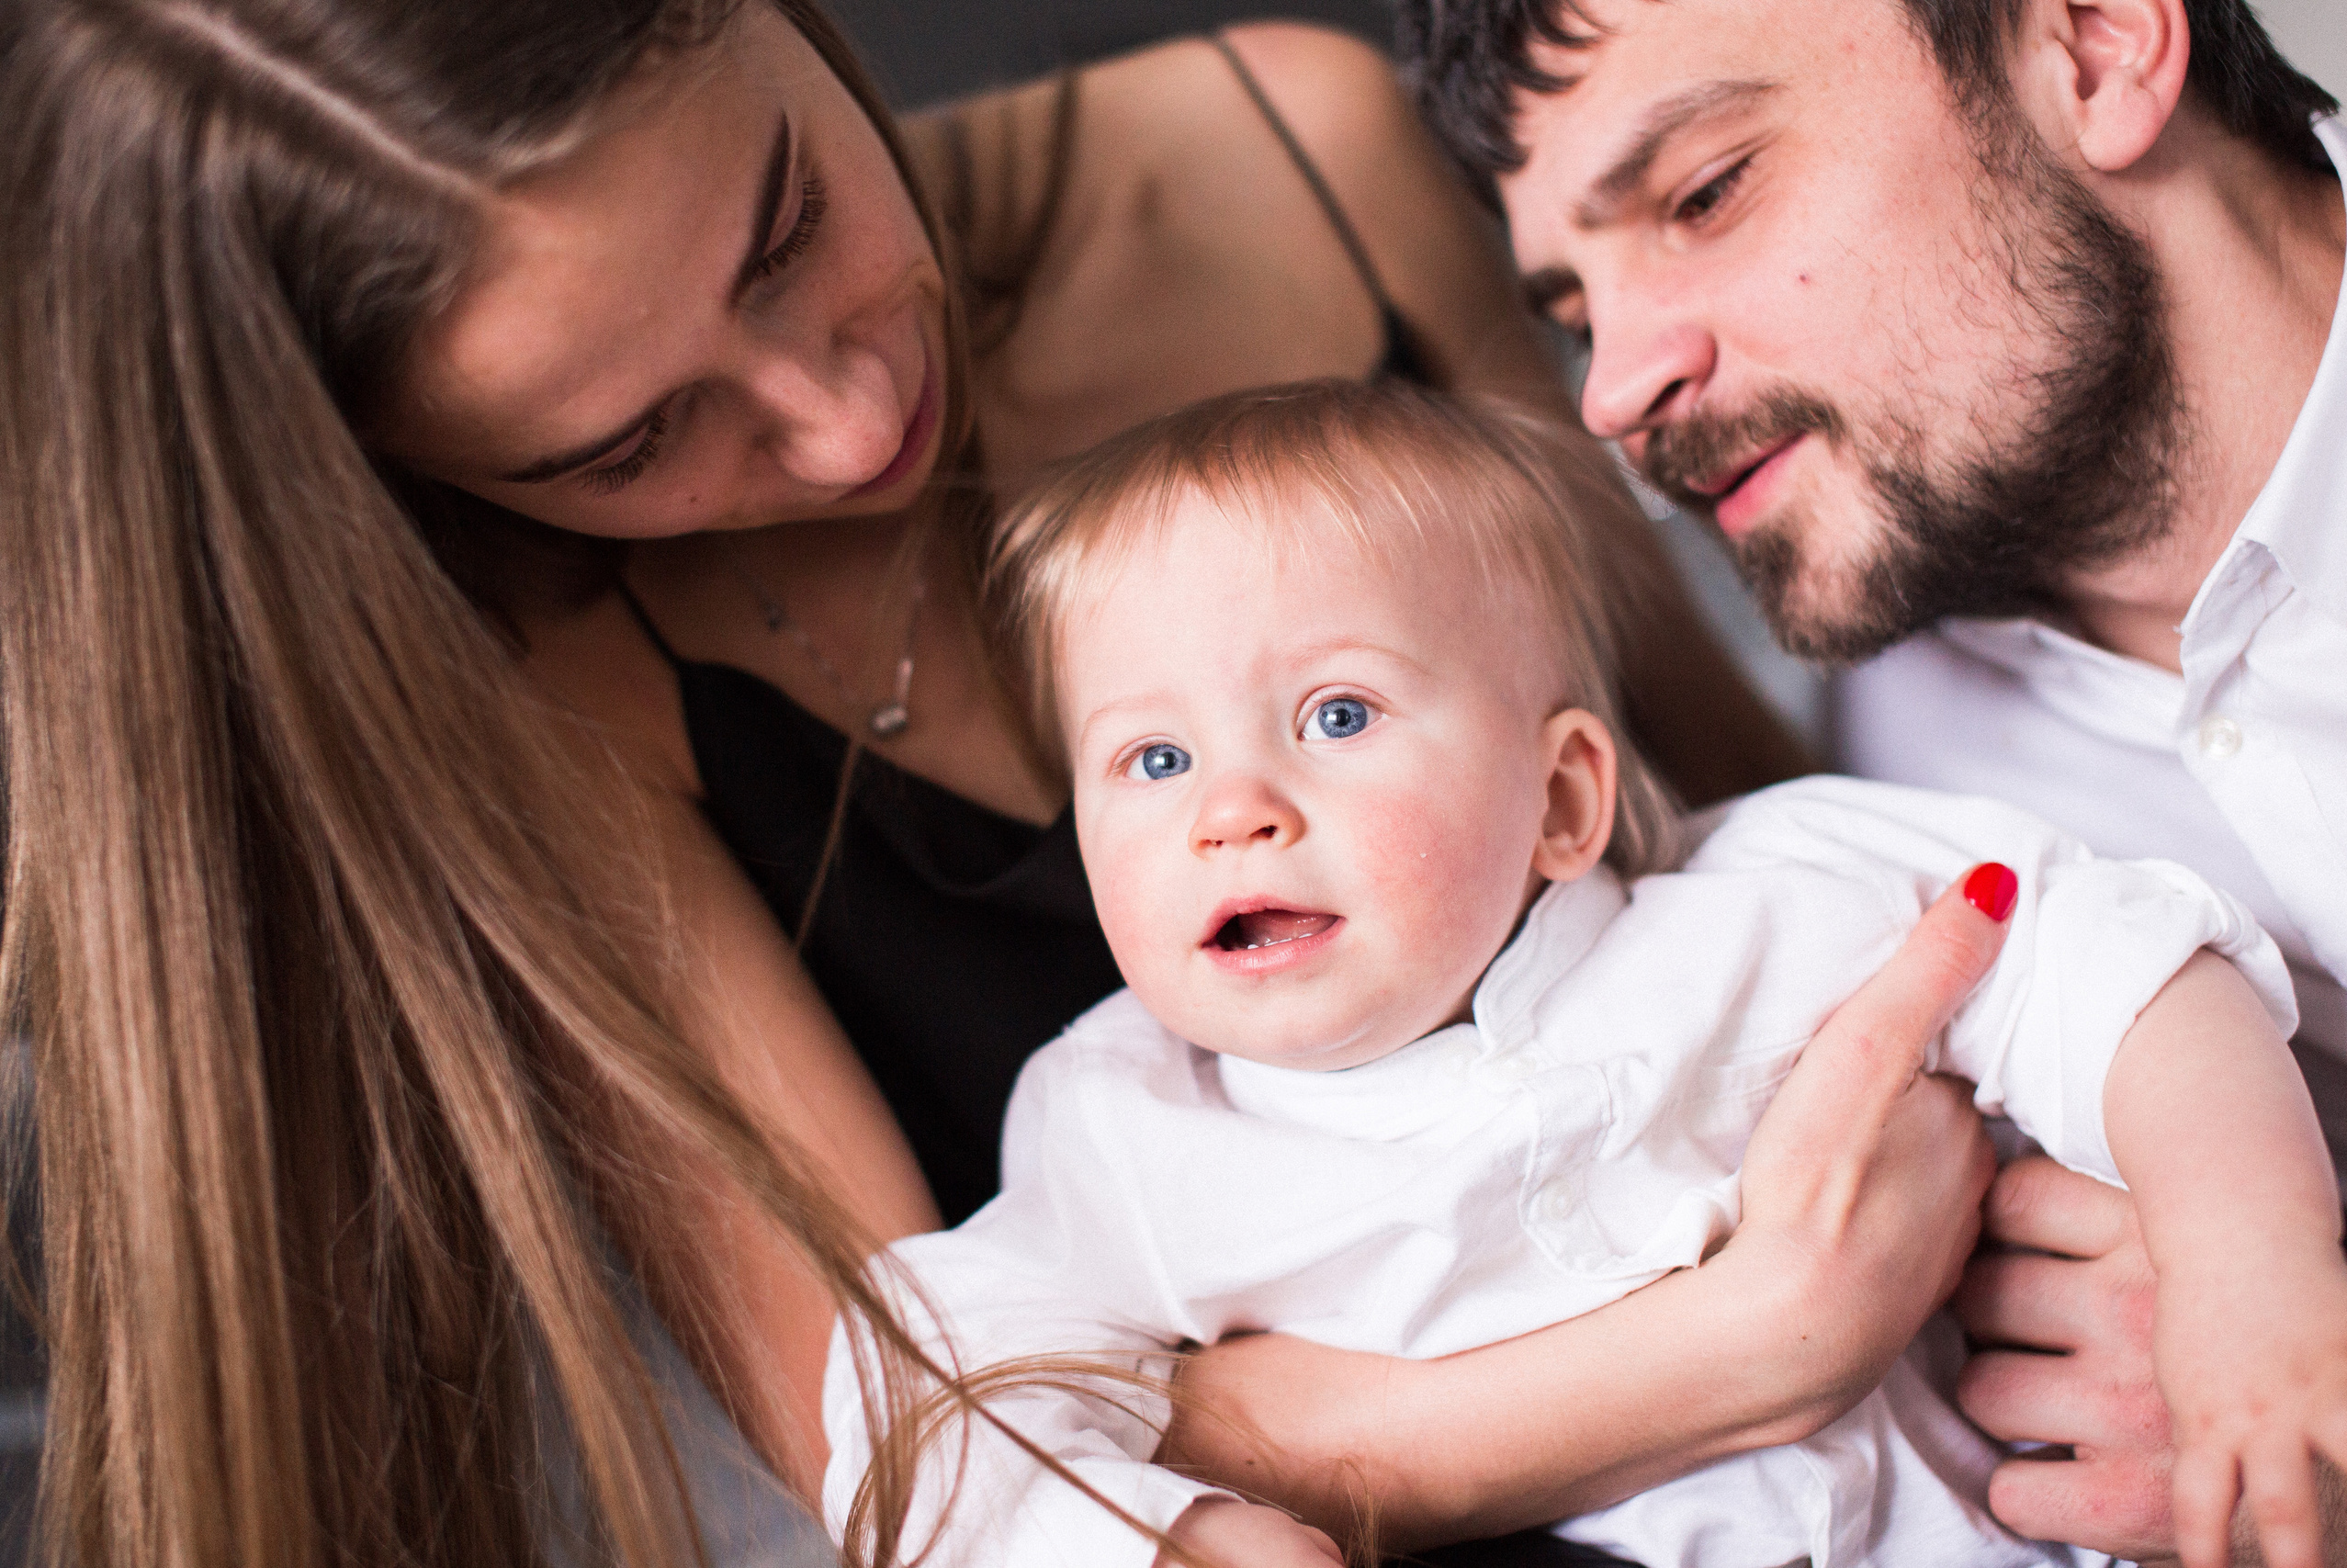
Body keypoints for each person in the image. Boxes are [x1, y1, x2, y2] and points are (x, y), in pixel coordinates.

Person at [3, 1, 2014, 1564]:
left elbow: (1712, 816)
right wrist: (1748, 1339)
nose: (844, 410)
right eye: (626, 445)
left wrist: (2026, 1182)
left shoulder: (1282, 163)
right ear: (420, 477)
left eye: (787, 227)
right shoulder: (545, 709)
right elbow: (926, 1451)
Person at [823, 378, 2336, 1568]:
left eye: (1337, 715)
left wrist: (2252, 1271)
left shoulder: (1766, 912)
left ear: (1560, 802)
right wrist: (1166, 1540)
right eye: (1153, 758)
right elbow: (923, 1392)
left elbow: (2132, 970)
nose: (1234, 808)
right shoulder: (1126, 1130)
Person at [1392, 0, 2347, 1561]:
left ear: (2098, 45)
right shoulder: (1890, 768)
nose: (1611, 393)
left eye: (1706, 193)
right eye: (1574, 312)